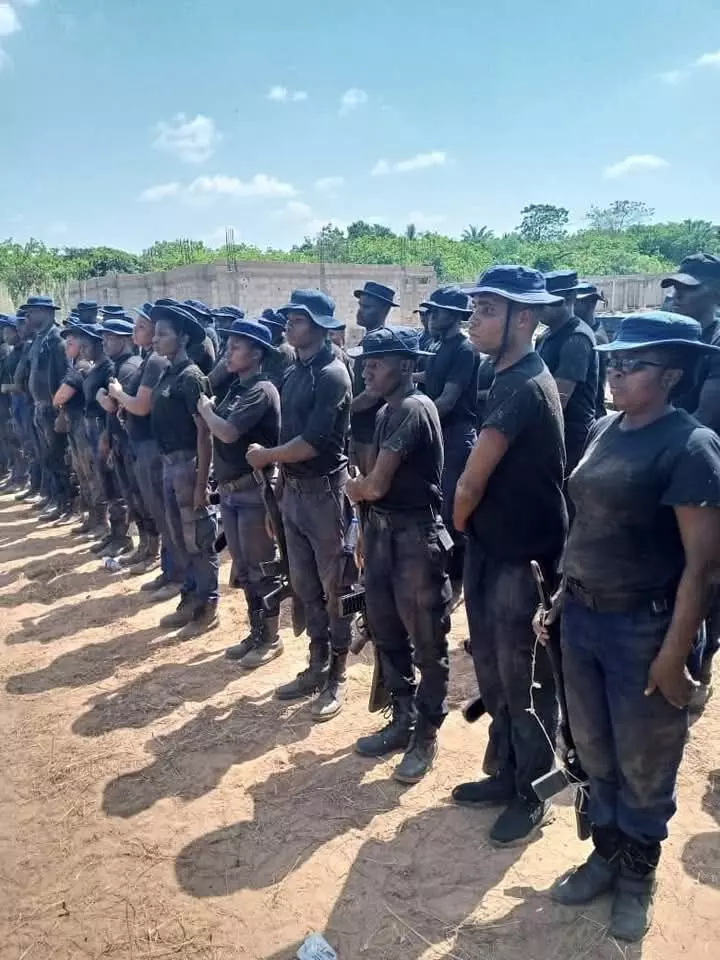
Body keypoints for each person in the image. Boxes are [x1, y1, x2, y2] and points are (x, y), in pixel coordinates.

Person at [539, 311, 720, 942]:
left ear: (671, 376)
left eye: (631, 364)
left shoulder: (690, 445)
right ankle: (605, 854)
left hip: (644, 628)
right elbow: (584, 524)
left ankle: (638, 875)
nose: (614, 372)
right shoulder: (600, 428)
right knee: (593, 747)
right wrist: (564, 592)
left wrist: (675, 656)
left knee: (646, 760)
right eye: (612, 362)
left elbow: (702, 568)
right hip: (583, 617)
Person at [451, 266, 567, 847]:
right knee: (496, 676)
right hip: (494, 552)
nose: (474, 320)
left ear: (524, 317)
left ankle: (532, 792)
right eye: (474, 309)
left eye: (487, 310)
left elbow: (471, 483)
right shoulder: (500, 373)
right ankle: (506, 774)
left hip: (520, 562)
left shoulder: (523, 383)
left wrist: (459, 523)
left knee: (524, 683)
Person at [346, 327, 452, 783]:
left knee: (428, 643)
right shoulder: (390, 409)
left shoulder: (412, 408)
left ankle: (425, 734)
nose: (367, 368)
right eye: (365, 361)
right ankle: (402, 719)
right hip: (387, 536)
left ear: (406, 366)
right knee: (387, 632)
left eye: (378, 361)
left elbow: (374, 485)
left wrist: (354, 489)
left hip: (415, 540)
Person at [246, 289, 353, 720]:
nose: (289, 325)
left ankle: (337, 676)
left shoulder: (332, 374)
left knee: (337, 590)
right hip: (294, 491)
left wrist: (268, 458)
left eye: (298, 319)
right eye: (289, 319)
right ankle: (316, 664)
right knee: (304, 585)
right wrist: (277, 482)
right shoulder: (295, 372)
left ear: (321, 326)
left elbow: (314, 443)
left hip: (325, 493)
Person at [197, 318, 283, 668]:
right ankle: (256, 632)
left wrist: (206, 410)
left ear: (257, 353)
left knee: (263, 567)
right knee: (245, 568)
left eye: (235, 347)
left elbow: (228, 432)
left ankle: (271, 637)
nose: (227, 353)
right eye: (227, 346)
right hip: (232, 493)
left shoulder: (261, 390)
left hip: (253, 492)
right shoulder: (237, 386)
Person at [661, 254, 720, 710]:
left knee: (705, 578)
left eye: (689, 288)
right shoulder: (677, 342)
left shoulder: (716, 346)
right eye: (675, 287)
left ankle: (695, 672)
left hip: (706, 479)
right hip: (677, 471)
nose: (677, 295)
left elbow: (705, 419)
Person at [150, 300, 219, 634]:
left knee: (198, 538)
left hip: (189, 465)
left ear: (183, 338)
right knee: (179, 536)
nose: (154, 339)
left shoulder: (192, 377)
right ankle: (190, 597)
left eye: (163, 334)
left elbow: (204, 434)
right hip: (168, 465)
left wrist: (202, 482)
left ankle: (207, 605)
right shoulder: (168, 372)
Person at [422, 287, 480, 603]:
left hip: (457, 435)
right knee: (437, 503)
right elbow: (430, 380)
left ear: (456, 316)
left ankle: (457, 579)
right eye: (432, 311)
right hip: (439, 433)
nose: (433, 317)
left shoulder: (464, 350)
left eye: (440, 312)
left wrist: (416, 415)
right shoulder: (438, 346)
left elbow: (447, 400)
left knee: (451, 507)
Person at [108, 303, 173, 580]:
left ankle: (158, 555)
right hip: (137, 441)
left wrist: (118, 395)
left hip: (149, 443)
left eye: (142, 328)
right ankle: (148, 547)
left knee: (156, 505)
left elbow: (141, 406)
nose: (137, 333)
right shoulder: (147, 360)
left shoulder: (155, 361)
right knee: (141, 499)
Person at [536, 270, 598, 473]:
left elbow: (559, 400)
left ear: (570, 298)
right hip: (552, 430)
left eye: (548, 301)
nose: (541, 307)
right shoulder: (547, 335)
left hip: (571, 437)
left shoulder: (576, 339)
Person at [94, 317, 143, 558]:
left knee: (135, 495)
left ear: (124, 340)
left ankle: (142, 545)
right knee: (122, 491)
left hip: (130, 441)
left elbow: (114, 406)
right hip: (118, 438)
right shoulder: (118, 366)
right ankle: (121, 537)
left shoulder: (129, 367)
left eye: (109, 338)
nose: (104, 343)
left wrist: (101, 397)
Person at [24, 295, 73, 522]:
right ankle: (55, 497)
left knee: (58, 457)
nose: (28, 315)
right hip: (40, 406)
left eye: (33, 310)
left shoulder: (56, 341)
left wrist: (62, 411)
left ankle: (66, 504)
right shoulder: (39, 339)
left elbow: (64, 377)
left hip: (53, 409)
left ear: (46, 312)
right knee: (47, 457)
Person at [349, 281, 399, 474]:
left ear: (384, 309)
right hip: (360, 430)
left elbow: (373, 394)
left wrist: (343, 411)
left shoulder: (383, 343)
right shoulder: (367, 340)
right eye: (360, 305)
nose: (360, 311)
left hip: (374, 433)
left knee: (370, 491)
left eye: (367, 307)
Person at [54, 321, 94, 530]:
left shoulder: (80, 367)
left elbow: (61, 395)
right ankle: (91, 517)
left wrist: (57, 400)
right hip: (78, 424)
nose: (66, 347)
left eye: (70, 344)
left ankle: (98, 519)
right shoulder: (77, 366)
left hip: (82, 425)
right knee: (82, 471)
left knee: (88, 472)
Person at [0, 316, 27, 491]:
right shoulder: (13, 350)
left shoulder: (8, 351)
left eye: (8, 331)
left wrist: (4, 387)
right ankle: (16, 475)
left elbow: (18, 381)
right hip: (9, 400)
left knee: (18, 440)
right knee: (9, 439)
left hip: (13, 400)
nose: (6, 335)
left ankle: (21, 477)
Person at [575, 283, 609, 418]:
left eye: (577, 303)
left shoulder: (593, 338)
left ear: (591, 304)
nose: (571, 307)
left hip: (590, 413)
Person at [259, 308, 296, 391]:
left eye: (267, 325)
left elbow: (276, 380)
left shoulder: (283, 350)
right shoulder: (271, 345)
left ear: (278, 329)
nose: (263, 328)